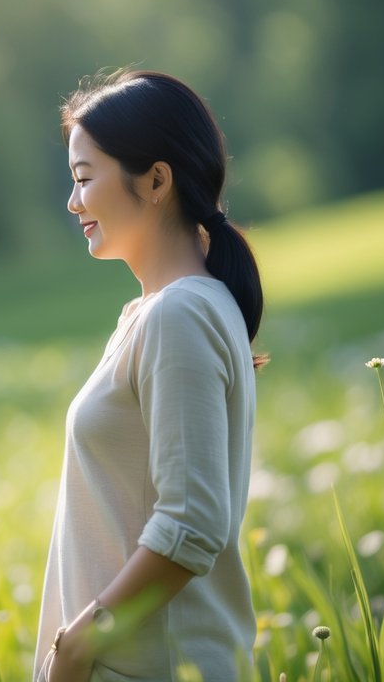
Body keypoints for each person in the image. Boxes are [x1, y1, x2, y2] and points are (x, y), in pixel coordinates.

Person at [34, 69, 264, 682]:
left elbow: (191, 523)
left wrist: (79, 644)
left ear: (157, 180)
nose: (73, 202)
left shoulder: (179, 314)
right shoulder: (155, 313)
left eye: (85, 178)